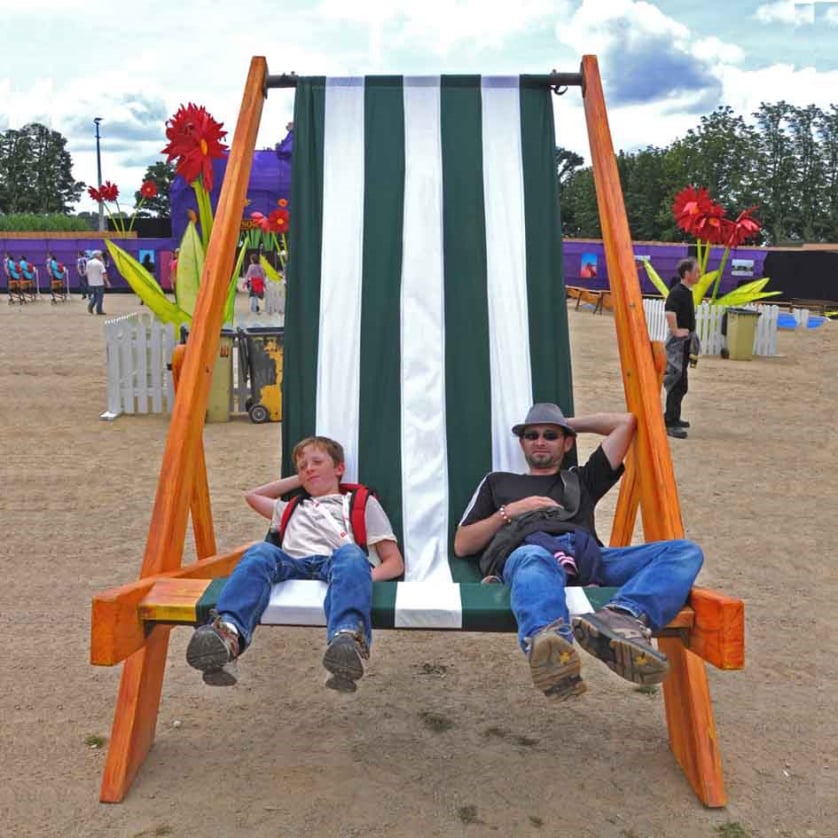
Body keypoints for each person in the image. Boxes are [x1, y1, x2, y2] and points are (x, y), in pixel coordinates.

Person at [454, 403, 703, 702]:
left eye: (551, 435)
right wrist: (510, 511)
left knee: (684, 552)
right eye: (531, 435)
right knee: (534, 559)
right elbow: (463, 544)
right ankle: (551, 647)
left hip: (590, 560)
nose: (540, 440)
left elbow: (625, 423)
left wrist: (565, 422)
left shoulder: (580, 480)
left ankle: (622, 616)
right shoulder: (498, 483)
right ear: (522, 443)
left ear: (567, 442)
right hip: (527, 551)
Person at [186, 435, 405, 692]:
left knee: (352, 555)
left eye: (317, 462)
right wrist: (301, 478)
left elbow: (395, 563)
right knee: (260, 551)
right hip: (291, 565)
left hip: (336, 564)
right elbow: (252, 496)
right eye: (302, 467)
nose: (309, 468)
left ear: (339, 468)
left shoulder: (361, 503)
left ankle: (348, 641)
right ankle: (229, 634)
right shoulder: (290, 508)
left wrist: (359, 581)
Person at [663, 257, 700, 439]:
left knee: (681, 382)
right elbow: (669, 311)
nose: (699, 275)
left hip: (686, 341)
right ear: (687, 273)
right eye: (696, 271)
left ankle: (674, 417)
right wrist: (676, 331)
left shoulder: (686, 291)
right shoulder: (677, 292)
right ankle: (669, 422)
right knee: (676, 380)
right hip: (678, 343)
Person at [85, 250, 110, 315]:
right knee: (100, 297)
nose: (101, 256)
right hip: (99, 282)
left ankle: (90, 306)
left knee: (95, 296)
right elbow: (104, 273)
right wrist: (107, 282)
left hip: (91, 282)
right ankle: (99, 310)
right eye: (100, 255)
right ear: (98, 255)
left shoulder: (88, 263)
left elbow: (87, 273)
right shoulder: (100, 263)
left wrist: (88, 281)